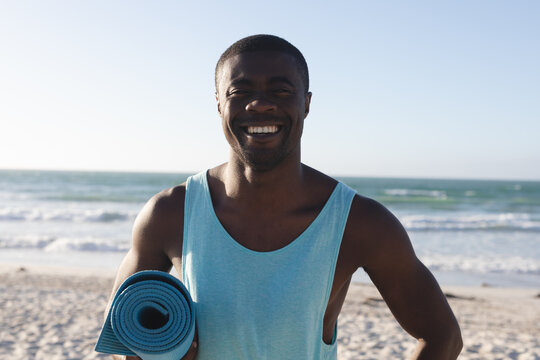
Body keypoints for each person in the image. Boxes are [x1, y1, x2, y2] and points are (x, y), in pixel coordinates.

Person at [105, 34, 462, 359]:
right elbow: (121, 336)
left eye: (280, 91)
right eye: (239, 91)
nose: (260, 104)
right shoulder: (170, 214)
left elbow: (442, 337)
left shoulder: (358, 222)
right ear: (218, 104)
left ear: (306, 103)